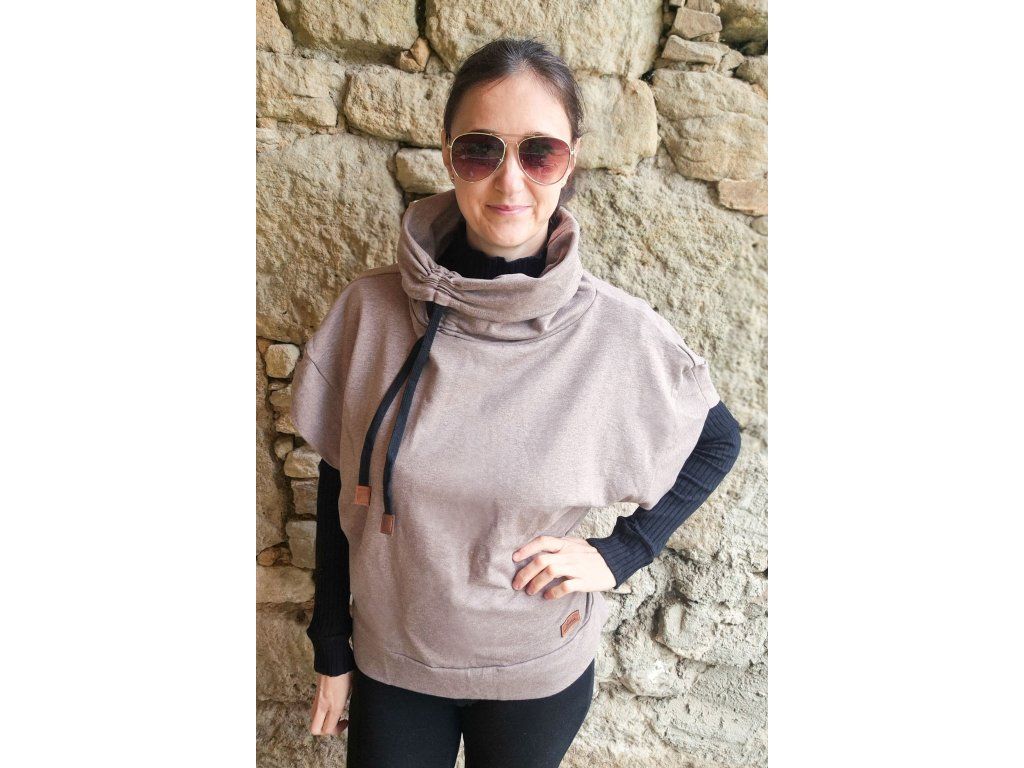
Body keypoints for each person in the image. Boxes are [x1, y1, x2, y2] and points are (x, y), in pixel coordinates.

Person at [291, 37, 742, 768]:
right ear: (448, 155)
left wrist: (623, 552)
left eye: (540, 152)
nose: (510, 180)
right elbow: (343, 482)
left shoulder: (617, 333)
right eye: (481, 150)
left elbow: (718, 441)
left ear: (571, 161)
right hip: (393, 664)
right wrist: (331, 647)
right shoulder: (369, 313)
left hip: (535, 675)